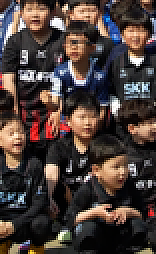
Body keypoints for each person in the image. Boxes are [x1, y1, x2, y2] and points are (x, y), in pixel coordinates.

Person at [0, 112, 50, 254]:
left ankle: (36, 247)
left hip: (26, 220)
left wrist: (15, 224)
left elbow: (40, 202)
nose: (18, 137)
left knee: (42, 223)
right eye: (11, 133)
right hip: (2, 218)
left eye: (21, 132)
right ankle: (1, 243)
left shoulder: (35, 164)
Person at [65, 135, 148, 254]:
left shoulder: (129, 186)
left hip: (120, 236)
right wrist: (94, 213)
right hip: (97, 237)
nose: (123, 172)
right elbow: (70, 219)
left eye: (125, 165)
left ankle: (130, 249)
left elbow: (142, 214)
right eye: (116, 167)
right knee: (87, 229)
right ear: (96, 171)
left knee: (138, 225)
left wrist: (128, 211)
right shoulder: (87, 189)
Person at [2, 0, 64, 145]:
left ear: (52, 12)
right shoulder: (15, 41)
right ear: (22, 13)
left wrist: (60, 110)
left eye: (41, 9)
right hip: (25, 113)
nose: (35, 14)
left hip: (55, 113)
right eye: (29, 9)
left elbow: (70, 79)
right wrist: (14, 112)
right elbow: (9, 80)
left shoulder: (63, 40)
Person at [118, 99, 156, 253]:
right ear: (132, 128)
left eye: (155, 121)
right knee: (129, 244)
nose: (155, 126)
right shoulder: (121, 152)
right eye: (149, 123)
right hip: (131, 211)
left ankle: (152, 231)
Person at [45, 92, 104, 243]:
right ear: (68, 121)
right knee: (54, 187)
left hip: (96, 202)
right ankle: (64, 222)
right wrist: (49, 198)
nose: (88, 123)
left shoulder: (105, 145)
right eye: (82, 117)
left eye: (93, 116)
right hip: (66, 202)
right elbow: (51, 174)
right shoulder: (59, 147)